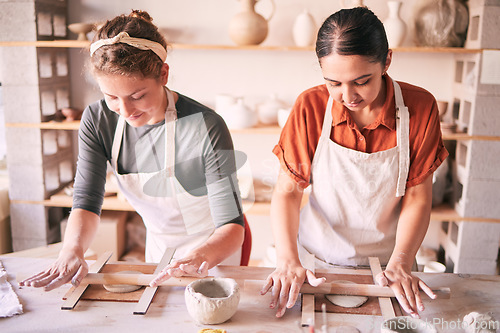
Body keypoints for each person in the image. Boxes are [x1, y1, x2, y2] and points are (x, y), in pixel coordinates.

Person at [20, 10, 245, 291]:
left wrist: (198, 257)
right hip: (159, 251)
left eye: (137, 96)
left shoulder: (206, 125)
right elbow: (87, 201)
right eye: (111, 97)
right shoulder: (98, 120)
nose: (125, 111)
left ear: (163, 74)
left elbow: (232, 227)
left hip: (214, 253)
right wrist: (72, 249)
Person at [260, 7, 448, 319]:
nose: (347, 96)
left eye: (361, 81)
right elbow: (287, 192)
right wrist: (287, 260)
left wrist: (401, 261)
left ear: (386, 61)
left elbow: (418, 195)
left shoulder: (419, 107)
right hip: (317, 261)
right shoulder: (311, 106)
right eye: (333, 83)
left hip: (390, 266)